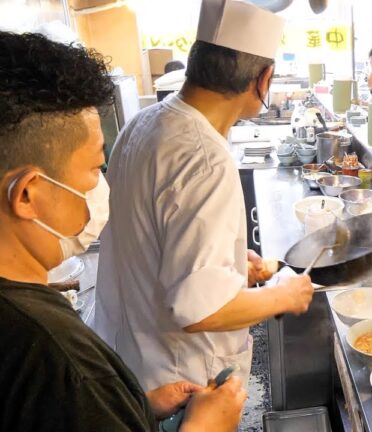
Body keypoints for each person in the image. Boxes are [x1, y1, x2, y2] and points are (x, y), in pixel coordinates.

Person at [0, 30, 244, 431]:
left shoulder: (28, 315)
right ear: (28, 194)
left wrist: (136, 408)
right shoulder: (57, 358)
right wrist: (207, 426)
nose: (102, 187)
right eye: (96, 169)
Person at [95, 1, 314, 391]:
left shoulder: (144, 123)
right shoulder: (205, 158)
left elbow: (156, 241)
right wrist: (284, 295)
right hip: (185, 383)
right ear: (264, 80)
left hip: (133, 359)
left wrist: (227, 266)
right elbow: (200, 308)